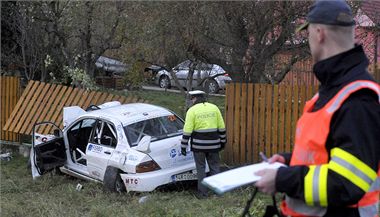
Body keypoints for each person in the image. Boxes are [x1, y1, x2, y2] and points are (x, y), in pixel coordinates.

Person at [254, 0, 380, 216]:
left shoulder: (358, 99)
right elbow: (325, 153)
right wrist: (288, 160)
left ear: (319, 33)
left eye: (308, 33)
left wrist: (282, 179)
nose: (308, 40)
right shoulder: (335, 90)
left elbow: (346, 182)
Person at [181, 90, 226, 199]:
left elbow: (187, 130)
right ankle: (218, 192)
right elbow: (222, 127)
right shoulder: (214, 108)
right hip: (214, 145)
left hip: (198, 146)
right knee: (214, 167)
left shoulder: (192, 111)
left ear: (195, 98)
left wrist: (183, 145)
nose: (191, 101)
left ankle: (203, 194)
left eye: (192, 99)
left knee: (200, 169)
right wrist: (223, 142)